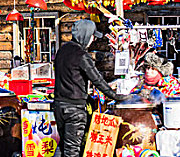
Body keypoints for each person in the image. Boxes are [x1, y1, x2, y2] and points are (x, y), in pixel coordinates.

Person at [53, 20, 129, 157]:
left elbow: (68, 77)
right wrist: (118, 97)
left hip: (59, 105)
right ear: (85, 35)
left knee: (64, 146)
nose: (93, 40)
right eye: (92, 36)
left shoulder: (62, 51)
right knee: (72, 151)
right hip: (74, 109)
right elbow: (97, 80)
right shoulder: (82, 56)